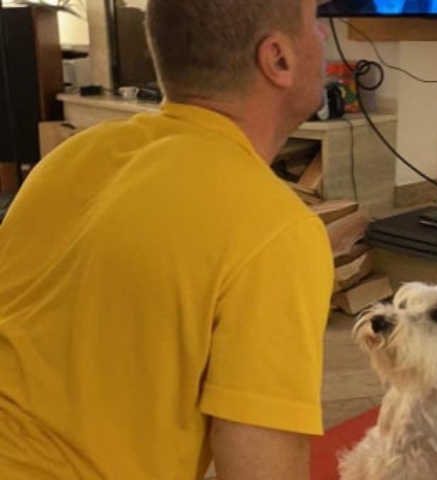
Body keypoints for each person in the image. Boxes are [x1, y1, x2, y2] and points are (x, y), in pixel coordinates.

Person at [0, 1, 333, 479]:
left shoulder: (69, 158)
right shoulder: (273, 228)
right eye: (313, 21)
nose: (323, 35)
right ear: (277, 59)